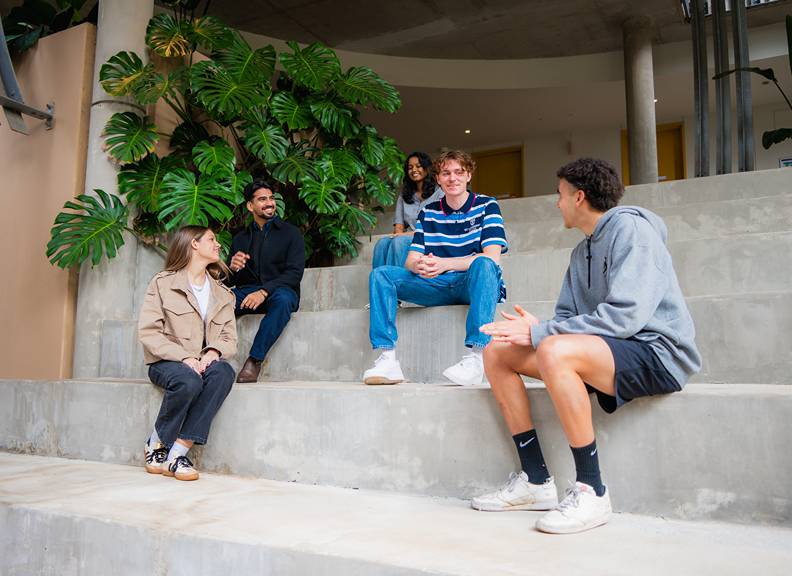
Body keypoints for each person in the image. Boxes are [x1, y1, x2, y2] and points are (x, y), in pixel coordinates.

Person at [473, 158, 701, 534]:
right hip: (606, 353)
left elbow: (626, 317)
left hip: (658, 352)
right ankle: (535, 481)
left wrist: (542, 332)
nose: (556, 203)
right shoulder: (582, 253)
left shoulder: (633, 231)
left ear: (579, 197)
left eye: (559, 195)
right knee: (496, 351)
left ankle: (592, 490)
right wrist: (540, 329)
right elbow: (565, 319)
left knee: (552, 349)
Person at [363, 149, 508, 386]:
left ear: (468, 175)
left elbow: (492, 258)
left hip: (471, 284)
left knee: (483, 263)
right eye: (446, 173)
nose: (453, 178)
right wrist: (420, 265)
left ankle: (476, 358)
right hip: (437, 284)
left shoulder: (487, 205)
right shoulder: (429, 212)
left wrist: (443, 264)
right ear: (438, 179)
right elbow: (410, 260)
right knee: (381, 275)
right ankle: (388, 359)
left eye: (459, 172)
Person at [138, 226, 238, 481]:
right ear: (194, 244)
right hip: (167, 362)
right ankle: (157, 443)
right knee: (188, 379)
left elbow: (229, 338)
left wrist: (213, 352)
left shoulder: (223, 294)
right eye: (211, 240)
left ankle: (178, 452)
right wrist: (184, 357)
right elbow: (149, 333)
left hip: (204, 361)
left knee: (224, 372)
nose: (217, 245)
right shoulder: (163, 284)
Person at [227, 178, 305, 383]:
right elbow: (228, 281)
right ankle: (205, 354)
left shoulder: (291, 233)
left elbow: (294, 274)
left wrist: (263, 292)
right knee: (219, 299)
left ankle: (254, 360)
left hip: (279, 292)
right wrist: (231, 268)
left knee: (283, 300)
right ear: (250, 206)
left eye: (271, 198)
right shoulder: (240, 239)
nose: (269, 202)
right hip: (247, 293)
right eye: (262, 199)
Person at [372, 152, 443, 269]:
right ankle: (379, 283)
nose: (414, 170)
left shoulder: (439, 193)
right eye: (410, 168)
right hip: (407, 235)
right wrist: (400, 234)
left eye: (418, 166)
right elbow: (398, 227)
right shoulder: (404, 195)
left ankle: (395, 282)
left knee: (398, 241)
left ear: (427, 168)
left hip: (429, 236)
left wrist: (403, 235)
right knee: (382, 244)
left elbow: (435, 227)